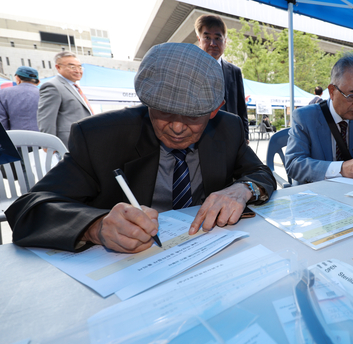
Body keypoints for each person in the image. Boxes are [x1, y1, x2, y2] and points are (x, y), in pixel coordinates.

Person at [6, 43, 276, 253]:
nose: (178, 128)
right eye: (164, 112)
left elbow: (261, 173)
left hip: (213, 255)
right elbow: (28, 209)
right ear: (146, 102)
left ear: (215, 110)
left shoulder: (227, 128)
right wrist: (95, 227)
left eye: (194, 116)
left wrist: (243, 189)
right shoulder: (101, 136)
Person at [285, 53, 353, 185]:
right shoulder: (305, 117)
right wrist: (340, 169)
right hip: (313, 196)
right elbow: (293, 165)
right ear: (331, 91)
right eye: (352, 95)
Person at [195, 15, 249, 143]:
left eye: (217, 38)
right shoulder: (190, 68)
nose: (212, 44)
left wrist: (245, 137)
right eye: (207, 37)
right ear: (199, 39)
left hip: (229, 137)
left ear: (225, 41)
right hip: (198, 139)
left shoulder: (235, 72)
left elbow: (241, 107)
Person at [37, 51, 93, 147]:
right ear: (58, 67)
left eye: (80, 67)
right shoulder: (53, 86)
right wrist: (48, 144)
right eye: (72, 67)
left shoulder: (74, 87)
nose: (78, 70)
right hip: (67, 143)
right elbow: (46, 118)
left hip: (83, 140)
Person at [0, 66, 40, 131]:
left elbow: (2, 123)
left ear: (17, 78)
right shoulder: (44, 94)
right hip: (42, 138)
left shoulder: (3, 93)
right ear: (38, 82)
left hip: (15, 138)